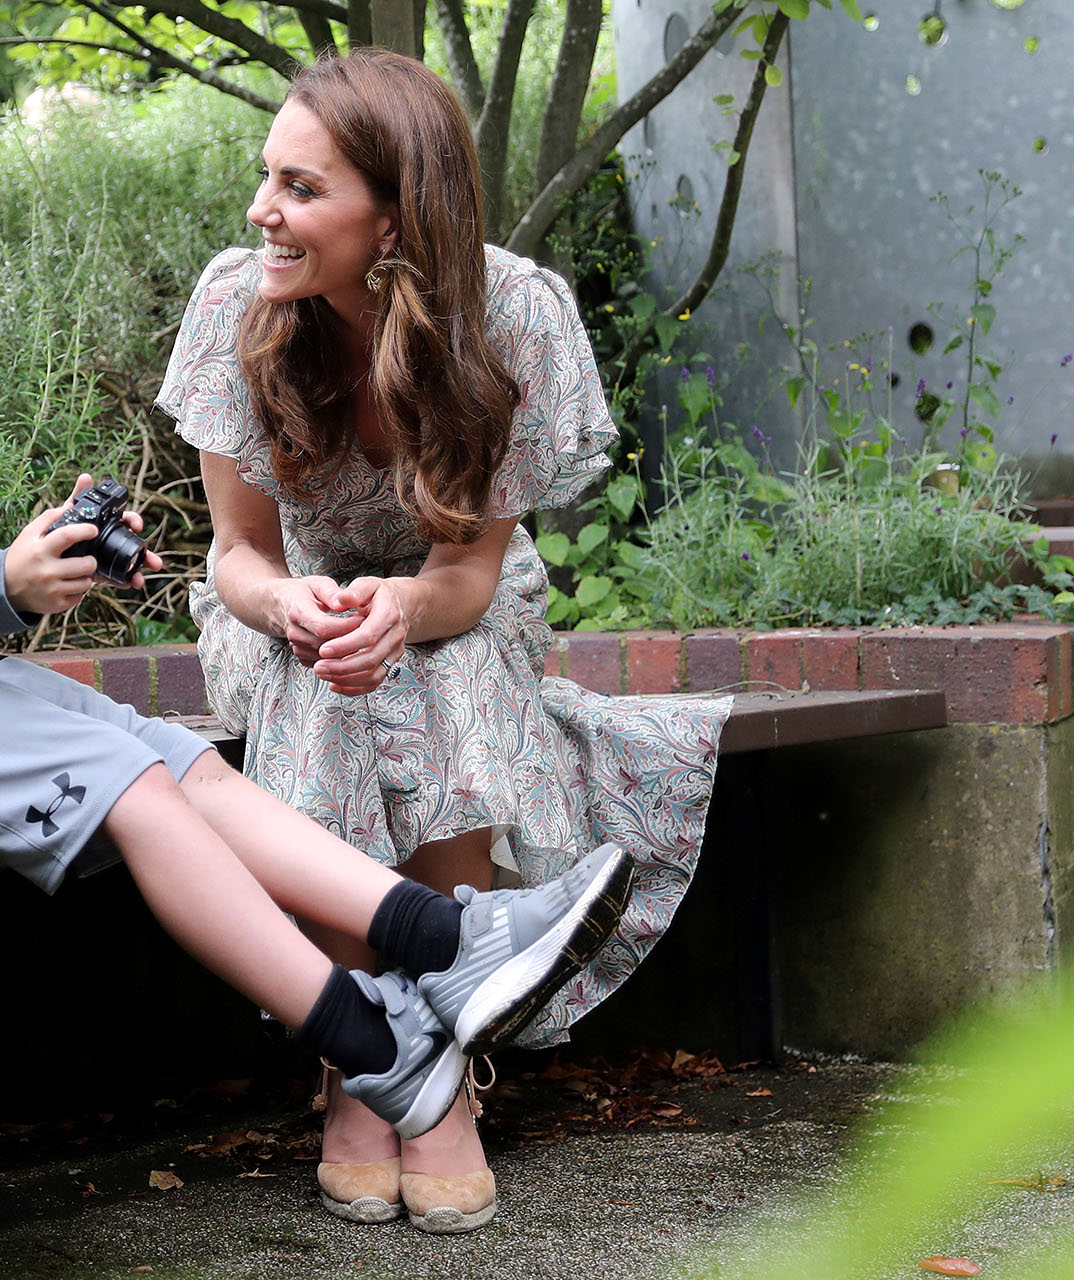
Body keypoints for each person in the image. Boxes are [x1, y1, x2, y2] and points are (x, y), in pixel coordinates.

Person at [0, 135, 639, 1161]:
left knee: (180, 762)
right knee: (135, 785)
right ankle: (373, 1041)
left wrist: (39, 562)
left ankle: (452, 941)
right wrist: (6, 587)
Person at [157, 51, 730, 1233]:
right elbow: (238, 555)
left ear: (396, 217)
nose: (264, 209)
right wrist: (298, 608)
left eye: (302, 189)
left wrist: (401, 609)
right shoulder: (238, 300)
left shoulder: (513, 316)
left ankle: (439, 1057)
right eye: (269, 176)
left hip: (460, 603)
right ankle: (365, 1054)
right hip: (279, 604)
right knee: (328, 674)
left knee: (440, 659)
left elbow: (466, 570)